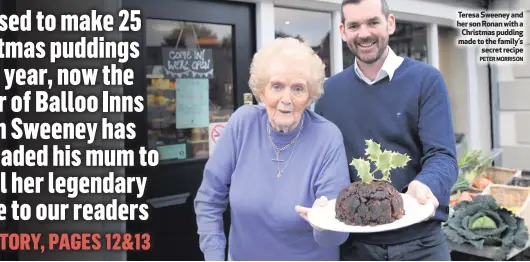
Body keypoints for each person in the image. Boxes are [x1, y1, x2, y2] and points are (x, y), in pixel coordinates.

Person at [314, 0, 458, 260]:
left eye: (373, 22)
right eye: (354, 25)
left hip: (422, 244)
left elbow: (443, 156)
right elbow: (318, 161)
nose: (364, 33)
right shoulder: (328, 94)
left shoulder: (426, 81)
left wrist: (426, 184)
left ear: (390, 24)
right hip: (356, 246)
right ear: (343, 31)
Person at [194, 37, 351, 261]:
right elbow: (209, 198)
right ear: (262, 91)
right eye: (277, 86)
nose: (286, 99)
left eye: (298, 88)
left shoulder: (327, 137)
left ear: (309, 97)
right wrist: (214, 255)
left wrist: (324, 223)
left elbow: (337, 235)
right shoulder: (242, 124)